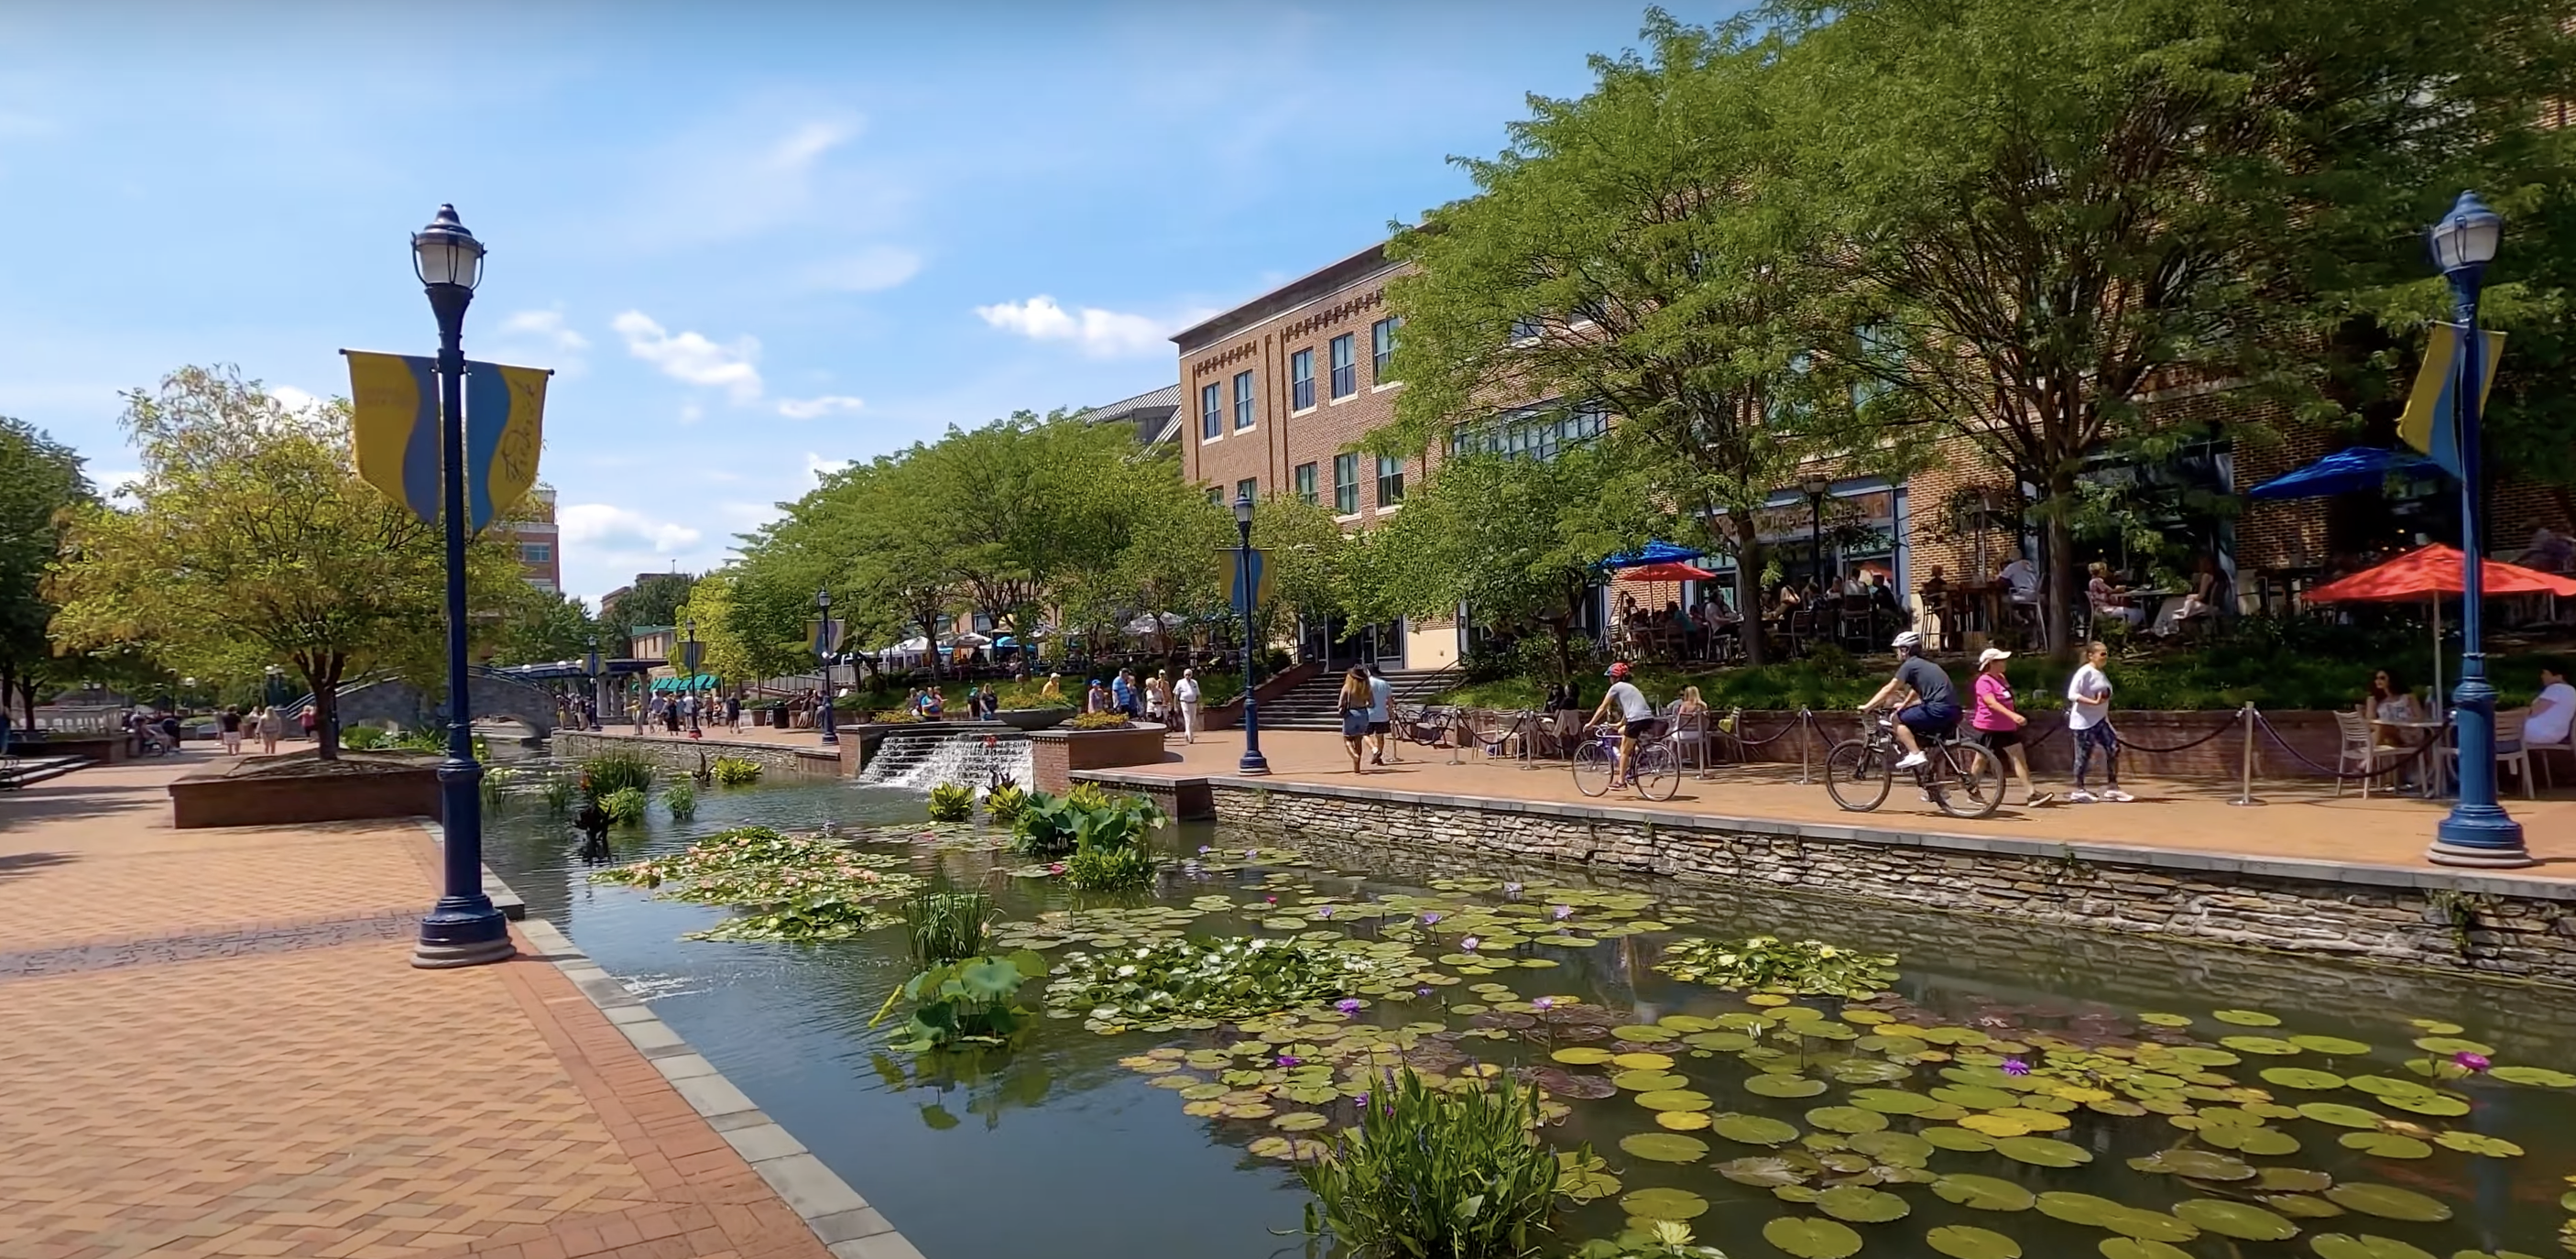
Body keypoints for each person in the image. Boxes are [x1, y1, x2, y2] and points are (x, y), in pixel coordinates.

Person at [1860, 630, 1958, 771]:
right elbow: (1916, 689)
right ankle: (1937, 789)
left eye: (1898, 649)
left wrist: (1868, 706)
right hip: (1954, 711)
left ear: (1905, 650)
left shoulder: (1910, 665)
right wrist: (1905, 705)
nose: (1897, 653)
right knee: (1931, 745)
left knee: (1896, 718)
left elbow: (1889, 688)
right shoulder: (1928, 665)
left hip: (1937, 710)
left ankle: (1914, 753)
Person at [1970, 648, 2051, 806]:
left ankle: (2031, 793)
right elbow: (1991, 702)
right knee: (1980, 760)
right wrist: (2013, 716)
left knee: (2019, 757)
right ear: (1991, 663)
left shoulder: (2001, 678)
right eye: (2001, 660)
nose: (2004, 663)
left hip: (2006, 727)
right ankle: (1972, 790)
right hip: (1988, 726)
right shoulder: (1983, 681)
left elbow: (2007, 698)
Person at [2066, 640, 2132, 802]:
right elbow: (2072, 695)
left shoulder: (2100, 672)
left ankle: (2113, 787)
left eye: (2106, 653)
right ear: (2091, 656)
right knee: (2083, 755)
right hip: (2084, 721)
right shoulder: (2084, 672)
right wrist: (2093, 703)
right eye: (2102, 653)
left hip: (2100, 720)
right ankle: (2079, 789)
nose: (2105, 656)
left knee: (2113, 748)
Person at [1585, 662, 1656, 790]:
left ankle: (1621, 782)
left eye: (1610, 677)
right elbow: (1628, 709)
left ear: (1615, 677)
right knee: (1622, 731)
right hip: (1646, 718)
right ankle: (1635, 757)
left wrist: (1591, 723)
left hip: (1635, 720)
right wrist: (1619, 724)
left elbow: (1603, 707)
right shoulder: (1629, 687)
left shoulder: (1616, 687)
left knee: (1624, 750)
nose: (1610, 680)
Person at [2088, 562, 2145, 632]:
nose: (2107, 572)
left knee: (2133, 610)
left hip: (2102, 609)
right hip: (2105, 610)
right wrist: (2118, 589)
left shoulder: (2094, 581)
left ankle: (2127, 630)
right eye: (2106, 570)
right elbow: (2109, 592)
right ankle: (2130, 630)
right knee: (2138, 612)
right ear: (2101, 571)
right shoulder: (2096, 582)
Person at [1337, 665, 1375, 774]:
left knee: (1347, 739)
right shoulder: (1367, 688)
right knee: (1359, 740)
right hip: (1363, 713)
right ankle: (1357, 768)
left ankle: (1354, 756)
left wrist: (1342, 708)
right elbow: (1372, 704)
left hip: (1351, 714)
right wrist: (1364, 703)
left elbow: (1340, 704)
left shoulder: (1347, 687)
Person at [2527, 663, 2573, 750]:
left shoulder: (2556, 688)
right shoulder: (2571, 690)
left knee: (2501, 729)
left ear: (2559, 676)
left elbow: (2533, 711)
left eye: (2545, 673)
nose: (2542, 676)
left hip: (2540, 733)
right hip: (2556, 733)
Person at [1366, 664, 1394, 765]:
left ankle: (1374, 750)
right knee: (1380, 736)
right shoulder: (1385, 683)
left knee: (1364, 734)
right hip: (1382, 713)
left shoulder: (1367, 683)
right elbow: (1390, 701)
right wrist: (1391, 712)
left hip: (1369, 713)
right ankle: (1379, 756)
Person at [1174, 668, 1202, 743]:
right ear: (1184, 675)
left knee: (1192, 720)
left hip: (1193, 703)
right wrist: (1175, 705)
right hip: (1184, 702)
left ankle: (1187, 733)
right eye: (1186, 675)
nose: (1188, 676)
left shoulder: (1194, 683)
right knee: (1188, 719)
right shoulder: (1180, 682)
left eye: (1189, 675)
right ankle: (1191, 737)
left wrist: (1199, 704)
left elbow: (1198, 694)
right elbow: (1176, 695)